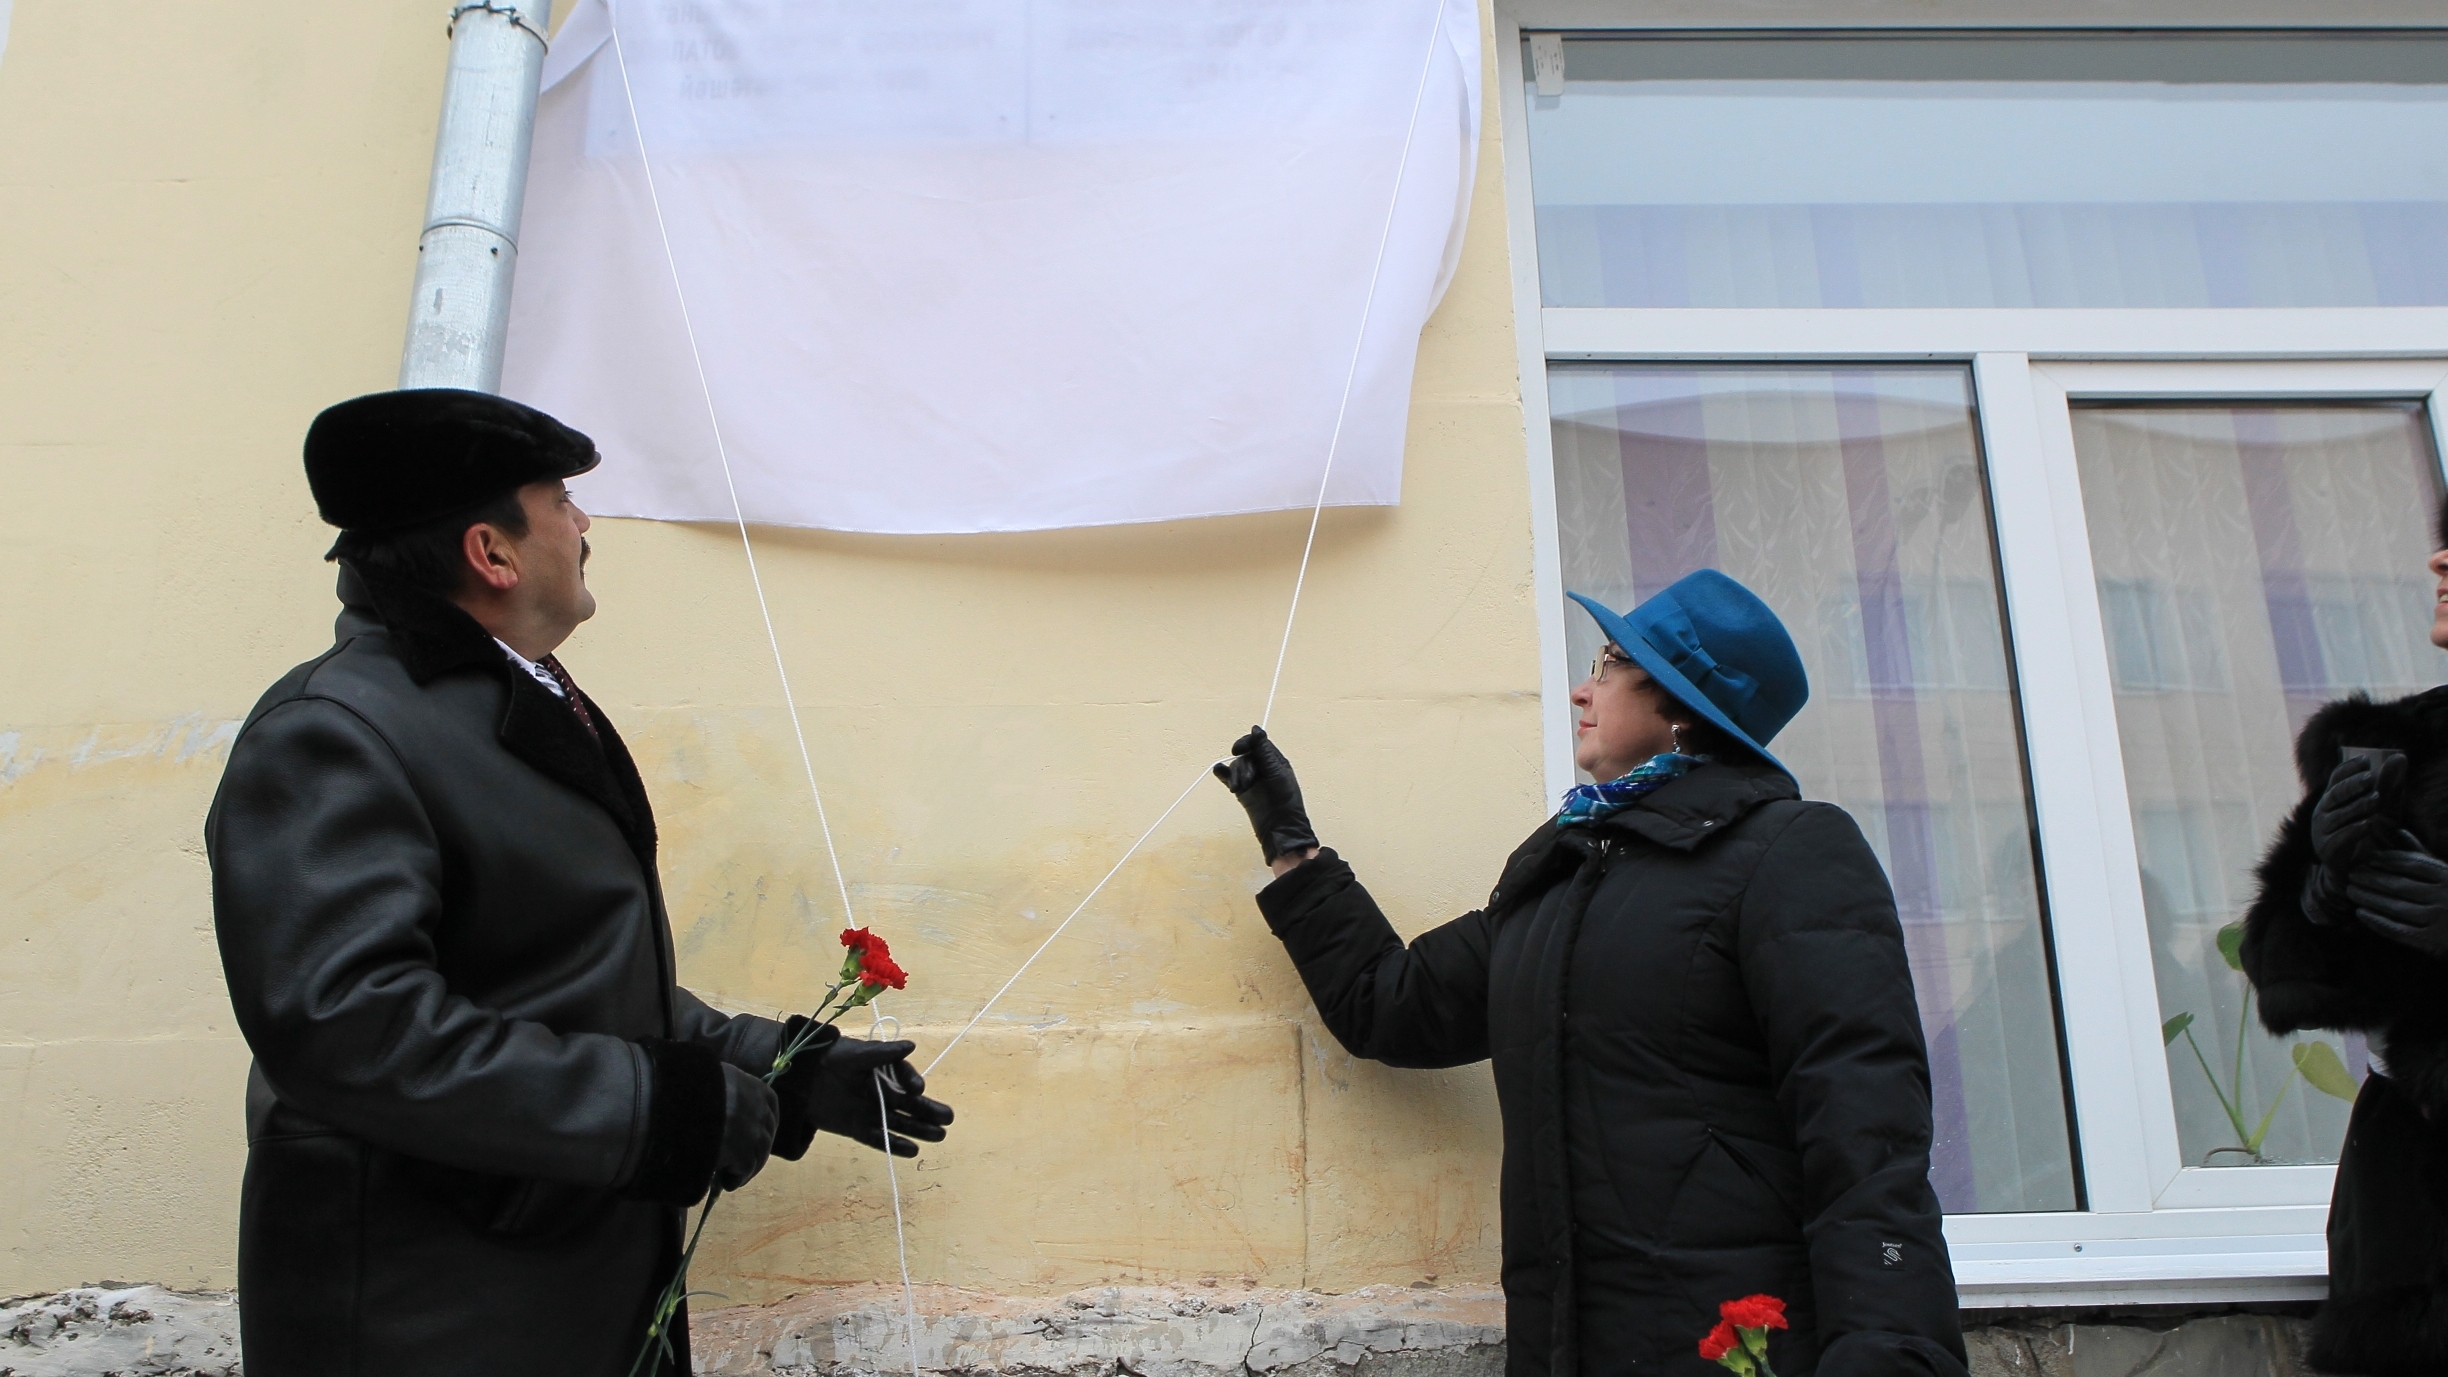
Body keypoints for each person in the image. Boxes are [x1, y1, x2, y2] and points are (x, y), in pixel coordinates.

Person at [204, 389, 954, 1377]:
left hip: (555, 1290)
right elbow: (350, 1029)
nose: (584, 522)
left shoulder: (504, 698)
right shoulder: (333, 731)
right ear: (492, 552)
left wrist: (782, 1067)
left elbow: (563, 981)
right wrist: (657, 1112)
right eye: (560, 499)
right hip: (427, 1314)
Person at [1213, 569, 1967, 1376]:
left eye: (1609, 664)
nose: (1582, 689)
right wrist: (1290, 845)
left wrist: (1890, 1349)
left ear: (1680, 706)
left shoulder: (1792, 852)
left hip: (1736, 1350)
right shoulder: (1559, 879)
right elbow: (1391, 1005)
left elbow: (1864, 1127)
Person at [2241, 508, 2448, 1376]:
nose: (2438, 559)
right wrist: (2322, 892)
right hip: (2413, 1215)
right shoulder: (2405, 743)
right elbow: (2280, 969)